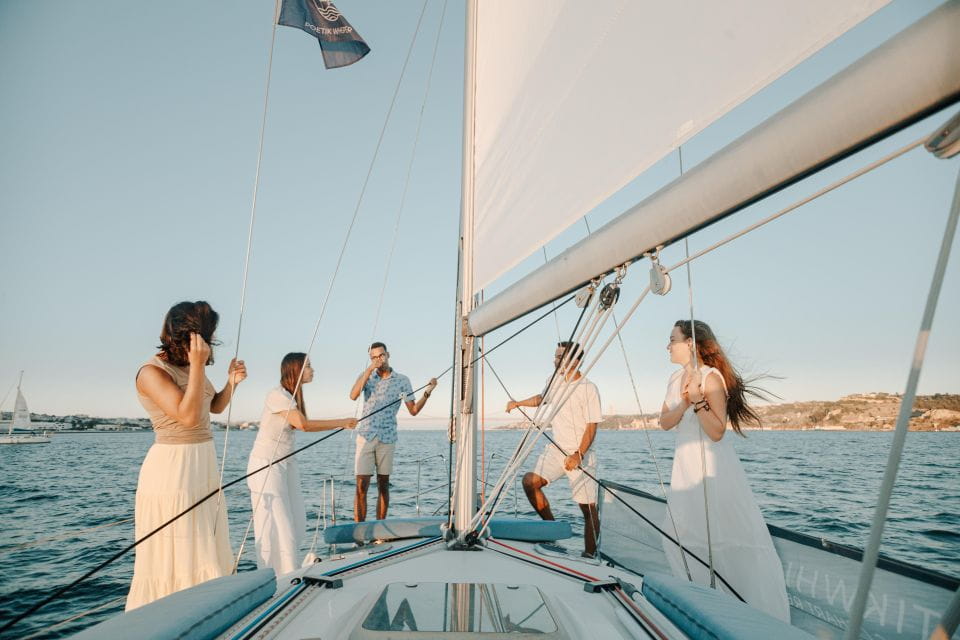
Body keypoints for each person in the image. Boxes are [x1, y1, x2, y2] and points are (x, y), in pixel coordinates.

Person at [659, 319, 789, 621]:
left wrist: (699, 399)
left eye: (672, 339)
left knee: (722, 539)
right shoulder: (673, 379)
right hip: (685, 467)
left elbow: (717, 431)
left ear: (690, 343)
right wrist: (683, 402)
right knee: (678, 536)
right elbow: (664, 422)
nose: (667, 346)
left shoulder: (711, 377)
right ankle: (701, 605)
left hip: (711, 465)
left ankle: (744, 614)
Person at [127, 301, 246, 610]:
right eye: (206, 335)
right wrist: (197, 365)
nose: (209, 342)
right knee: (178, 551)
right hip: (174, 470)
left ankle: (207, 611)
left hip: (202, 465)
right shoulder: (151, 372)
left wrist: (231, 383)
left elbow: (214, 407)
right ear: (186, 335)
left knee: (206, 545)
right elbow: (189, 417)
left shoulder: (190, 369)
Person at [247, 353, 357, 575]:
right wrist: (343, 423)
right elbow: (303, 425)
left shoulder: (291, 397)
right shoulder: (276, 395)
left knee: (296, 519)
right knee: (277, 523)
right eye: (308, 366)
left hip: (286, 462)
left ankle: (289, 568)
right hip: (266, 465)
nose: (312, 370)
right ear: (295, 370)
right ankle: (279, 575)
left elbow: (298, 425)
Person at [509, 341, 602, 558]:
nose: (555, 360)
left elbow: (592, 424)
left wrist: (579, 454)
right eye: (555, 356)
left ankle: (590, 555)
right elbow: (542, 399)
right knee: (530, 481)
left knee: (587, 509)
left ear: (576, 361)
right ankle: (551, 531)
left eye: (560, 356)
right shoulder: (555, 381)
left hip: (581, 454)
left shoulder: (588, 388)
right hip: (557, 450)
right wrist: (518, 403)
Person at [349, 342, 437, 522]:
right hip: (365, 435)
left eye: (380, 355)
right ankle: (359, 533)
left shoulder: (402, 381)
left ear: (387, 355)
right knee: (361, 486)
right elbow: (353, 395)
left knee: (383, 485)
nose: (378, 360)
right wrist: (368, 371)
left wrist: (428, 391)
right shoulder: (367, 377)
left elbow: (413, 410)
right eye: (373, 357)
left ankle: (380, 530)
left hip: (387, 438)